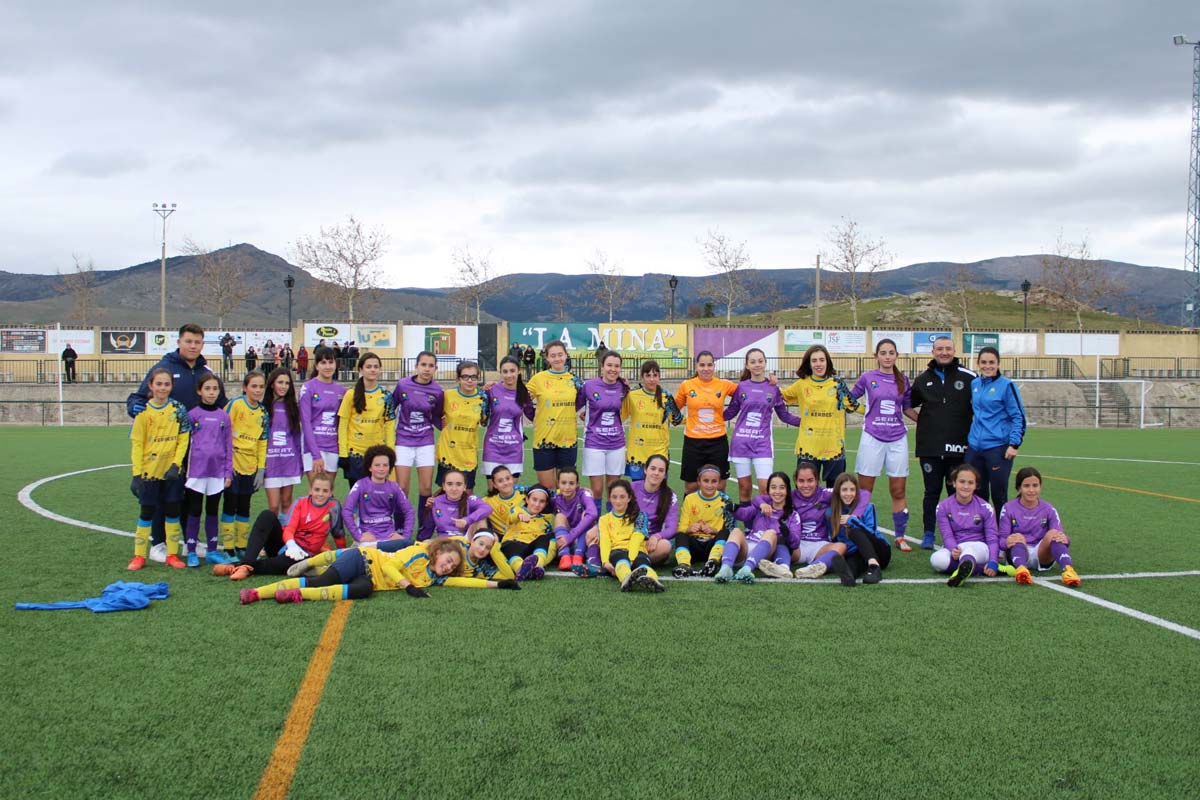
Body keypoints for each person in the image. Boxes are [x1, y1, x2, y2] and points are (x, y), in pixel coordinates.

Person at [126, 323, 226, 554]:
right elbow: (138, 397)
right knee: (162, 495)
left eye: (197, 342)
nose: (193, 346)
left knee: (188, 496)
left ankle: (189, 542)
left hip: (198, 449)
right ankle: (158, 543)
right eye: (188, 341)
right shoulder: (164, 367)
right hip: (166, 448)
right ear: (179, 341)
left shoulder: (206, 371)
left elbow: (222, 404)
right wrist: (135, 408)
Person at [238, 538, 519, 605]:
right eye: (447, 560)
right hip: (362, 559)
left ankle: (298, 593)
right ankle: (257, 592)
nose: (448, 566)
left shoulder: (438, 576)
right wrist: (407, 586)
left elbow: (462, 583)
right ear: (437, 552)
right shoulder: (419, 552)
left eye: (450, 566)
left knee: (362, 591)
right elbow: (389, 565)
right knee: (324, 579)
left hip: (370, 579)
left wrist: (499, 585)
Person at [905, 335, 975, 551]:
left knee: (956, 492)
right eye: (939, 349)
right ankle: (928, 532)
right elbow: (907, 406)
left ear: (954, 351)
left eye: (948, 348)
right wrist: (925, 422)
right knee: (931, 491)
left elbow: (980, 406)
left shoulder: (970, 377)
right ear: (933, 352)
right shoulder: (923, 379)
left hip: (959, 447)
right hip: (930, 447)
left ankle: (957, 532)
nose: (944, 352)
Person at [213, 472, 344, 581]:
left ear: (331, 492)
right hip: (286, 545)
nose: (320, 494)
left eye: (325, 490)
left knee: (290, 565)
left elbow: (338, 533)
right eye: (317, 489)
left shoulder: (334, 507)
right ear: (310, 490)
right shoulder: (301, 502)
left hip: (304, 554)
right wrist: (292, 546)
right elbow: (289, 529)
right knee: (267, 515)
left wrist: (342, 554)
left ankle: (237, 567)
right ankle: (247, 562)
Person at [849, 338, 914, 551]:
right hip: (872, 438)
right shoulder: (868, 378)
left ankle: (900, 536)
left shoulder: (903, 379)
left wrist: (928, 421)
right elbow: (850, 400)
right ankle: (859, 531)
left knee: (898, 490)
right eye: (883, 353)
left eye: (891, 353)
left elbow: (907, 409)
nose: (887, 356)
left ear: (896, 356)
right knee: (865, 490)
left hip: (897, 439)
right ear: (876, 356)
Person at [126, 368, 191, 570]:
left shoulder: (178, 409)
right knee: (147, 512)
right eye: (159, 384)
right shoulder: (143, 411)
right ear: (151, 386)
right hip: (149, 472)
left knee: (173, 511)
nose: (163, 388)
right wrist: (136, 474)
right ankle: (139, 556)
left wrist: (176, 464)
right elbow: (137, 444)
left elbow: (183, 439)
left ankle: (172, 554)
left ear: (172, 386)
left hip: (172, 472)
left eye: (167, 384)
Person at [725, 348, 800, 502]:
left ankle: (764, 525)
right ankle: (748, 527)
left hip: (763, 445)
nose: (757, 364)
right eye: (753, 362)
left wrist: (806, 422)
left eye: (760, 361)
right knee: (744, 489)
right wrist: (709, 415)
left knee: (765, 491)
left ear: (765, 363)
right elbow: (730, 412)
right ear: (747, 365)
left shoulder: (773, 388)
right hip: (741, 444)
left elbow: (784, 415)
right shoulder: (742, 387)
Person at [780, 344, 859, 488]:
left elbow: (854, 406)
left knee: (834, 493)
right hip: (808, 447)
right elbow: (781, 395)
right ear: (809, 364)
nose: (818, 364)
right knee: (806, 490)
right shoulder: (802, 384)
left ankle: (834, 512)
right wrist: (767, 384)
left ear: (827, 361)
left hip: (834, 447)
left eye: (821, 360)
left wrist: (876, 410)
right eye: (814, 360)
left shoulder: (838, 384)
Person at [965, 347, 1027, 516]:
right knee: (977, 493)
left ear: (998, 363)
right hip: (975, 448)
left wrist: (1014, 444)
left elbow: (1018, 416)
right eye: (983, 362)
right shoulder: (975, 384)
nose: (987, 366)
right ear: (978, 364)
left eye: (991, 362)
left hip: (998, 448)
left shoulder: (1007, 385)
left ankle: (1003, 533)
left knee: (999, 495)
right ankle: (982, 531)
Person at [183, 372, 235, 567]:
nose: (212, 393)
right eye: (208, 389)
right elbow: (184, 444)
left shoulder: (224, 416)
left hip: (217, 472)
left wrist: (227, 472)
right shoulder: (192, 415)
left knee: (212, 511)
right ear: (199, 391)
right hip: (196, 472)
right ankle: (191, 551)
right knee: (194, 510)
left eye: (215, 389)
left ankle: (212, 550)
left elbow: (228, 445)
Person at [998, 466, 1080, 587]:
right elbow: (1001, 540)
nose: (1031, 490)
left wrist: (1066, 539)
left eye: (1035, 485)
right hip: (1018, 552)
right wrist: (1007, 541)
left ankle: (1068, 570)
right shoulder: (1008, 508)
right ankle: (1022, 570)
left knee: (1053, 534)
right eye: (1026, 486)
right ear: (1019, 488)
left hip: (1041, 554)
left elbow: (1061, 538)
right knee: (1018, 536)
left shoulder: (1049, 509)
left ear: (1040, 487)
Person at [391, 350, 445, 524]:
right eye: (423, 365)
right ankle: (400, 528)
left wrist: (451, 428)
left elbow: (436, 416)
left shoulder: (437, 390)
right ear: (416, 366)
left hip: (425, 442)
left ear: (435, 368)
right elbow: (390, 408)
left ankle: (423, 529)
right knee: (403, 487)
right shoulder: (403, 385)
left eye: (431, 366)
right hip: (403, 441)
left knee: (426, 487)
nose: (427, 369)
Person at [674, 351, 738, 493]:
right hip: (693, 442)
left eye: (709, 365)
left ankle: (719, 515)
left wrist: (729, 413)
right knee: (691, 486)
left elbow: (744, 393)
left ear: (714, 366)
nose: (706, 368)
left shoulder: (723, 384)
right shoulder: (686, 385)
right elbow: (674, 408)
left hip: (718, 441)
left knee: (720, 485)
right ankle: (690, 515)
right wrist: (683, 420)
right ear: (696, 366)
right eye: (702, 365)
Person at [222, 371, 268, 559]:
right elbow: (222, 432)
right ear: (245, 387)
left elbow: (263, 441)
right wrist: (225, 464)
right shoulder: (235, 405)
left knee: (244, 506)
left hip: (250, 467)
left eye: (261, 387)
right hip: (233, 465)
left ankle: (241, 546)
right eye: (253, 386)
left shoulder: (263, 412)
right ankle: (228, 548)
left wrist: (261, 469)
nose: (257, 390)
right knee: (229, 505)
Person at [929, 464, 1000, 587]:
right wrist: (953, 549)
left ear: (975, 485)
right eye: (962, 481)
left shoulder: (985, 507)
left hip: (979, 548)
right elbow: (947, 535)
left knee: (969, 550)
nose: (966, 486)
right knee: (936, 560)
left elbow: (992, 538)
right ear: (954, 483)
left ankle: (965, 567)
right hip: (957, 547)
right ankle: (978, 569)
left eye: (970, 483)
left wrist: (993, 561)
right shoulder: (943, 507)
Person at [526, 340, 583, 488]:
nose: (557, 358)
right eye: (553, 355)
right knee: (548, 491)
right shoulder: (538, 379)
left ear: (566, 356)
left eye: (560, 354)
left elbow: (585, 399)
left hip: (568, 440)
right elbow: (523, 400)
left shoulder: (574, 380)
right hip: (544, 440)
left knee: (566, 491)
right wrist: (534, 417)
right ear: (547, 358)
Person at [336, 352, 396, 486]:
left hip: (377, 456)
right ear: (361, 369)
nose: (373, 369)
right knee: (357, 498)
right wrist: (343, 453)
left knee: (377, 498)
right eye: (368, 366)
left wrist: (391, 453)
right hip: (355, 455)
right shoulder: (350, 394)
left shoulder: (386, 396)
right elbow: (343, 425)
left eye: (376, 366)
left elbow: (390, 427)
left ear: (380, 369)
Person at [786, 463, 852, 583]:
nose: (806, 485)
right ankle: (782, 566)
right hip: (797, 546)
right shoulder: (789, 496)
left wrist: (854, 514)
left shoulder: (825, 493)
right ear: (795, 481)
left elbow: (862, 494)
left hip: (820, 546)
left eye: (810, 480)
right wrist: (762, 504)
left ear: (817, 480)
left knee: (841, 546)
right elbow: (763, 499)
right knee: (779, 543)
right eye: (801, 481)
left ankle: (813, 568)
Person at [720, 471, 790, 584]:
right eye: (773, 487)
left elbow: (795, 542)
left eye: (782, 488)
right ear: (768, 491)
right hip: (747, 548)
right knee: (736, 531)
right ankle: (726, 568)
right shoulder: (760, 507)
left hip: (764, 555)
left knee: (771, 532)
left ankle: (747, 569)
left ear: (787, 490)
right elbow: (744, 514)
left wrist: (787, 534)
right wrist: (734, 509)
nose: (777, 491)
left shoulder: (791, 513)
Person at [596, 479, 665, 592]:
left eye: (622, 497)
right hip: (617, 551)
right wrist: (605, 562)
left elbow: (637, 537)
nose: (618, 501)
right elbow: (605, 541)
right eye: (614, 497)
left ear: (629, 498)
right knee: (622, 563)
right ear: (609, 498)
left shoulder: (641, 515)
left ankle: (653, 580)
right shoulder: (604, 520)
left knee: (643, 564)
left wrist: (632, 558)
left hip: (637, 550)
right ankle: (626, 579)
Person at [578, 351, 630, 499]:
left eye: (617, 366)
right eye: (609, 365)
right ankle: (594, 522)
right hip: (594, 443)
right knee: (597, 489)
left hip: (617, 444)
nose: (613, 369)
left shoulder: (623, 387)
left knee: (613, 490)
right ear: (602, 366)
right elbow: (576, 405)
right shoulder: (589, 385)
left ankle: (611, 522)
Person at [342, 444, 415, 545]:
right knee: (371, 557)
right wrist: (358, 536)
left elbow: (409, 511)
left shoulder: (394, 487)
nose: (381, 469)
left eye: (385, 465)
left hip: (389, 535)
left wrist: (405, 536)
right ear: (370, 467)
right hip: (368, 536)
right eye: (377, 465)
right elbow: (346, 510)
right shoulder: (360, 485)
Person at [622, 360, 682, 481]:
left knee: (659, 493)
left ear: (659, 377)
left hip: (659, 452)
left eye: (655, 375)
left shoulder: (666, 396)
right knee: (638, 492)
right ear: (642, 377)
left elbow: (677, 420)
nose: (651, 379)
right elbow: (619, 416)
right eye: (648, 375)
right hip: (638, 452)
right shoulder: (632, 396)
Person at [826, 472, 889, 585]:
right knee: (853, 562)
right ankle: (849, 576)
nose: (848, 494)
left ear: (857, 492)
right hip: (857, 552)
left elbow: (872, 534)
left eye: (852, 490)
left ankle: (874, 567)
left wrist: (853, 521)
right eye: (844, 490)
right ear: (838, 492)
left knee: (854, 530)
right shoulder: (831, 513)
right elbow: (835, 539)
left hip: (879, 550)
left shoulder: (868, 507)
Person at [481, 355, 532, 492]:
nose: (509, 375)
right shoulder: (492, 390)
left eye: (512, 371)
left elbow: (533, 416)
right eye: (505, 371)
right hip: (492, 447)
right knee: (493, 493)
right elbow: (482, 419)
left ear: (519, 371)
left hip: (514, 449)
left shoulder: (524, 393)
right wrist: (482, 394)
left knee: (510, 493)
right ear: (500, 372)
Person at [672, 465, 733, 578]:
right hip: (694, 545)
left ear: (719, 482)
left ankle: (713, 561)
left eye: (714, 481)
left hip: (713, 544)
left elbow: (730, 528)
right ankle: (684, 564)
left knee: (725, 533)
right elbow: (682, 527)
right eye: (706, 481)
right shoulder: (690, 499)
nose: (709, 485)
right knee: (680, 536)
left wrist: (714, 530)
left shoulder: (726, 500)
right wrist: (689, 529)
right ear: (698, 482)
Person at [435, 360, 488, 490]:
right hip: (448, 453)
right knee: (445, 493)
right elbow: (435, 414)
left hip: (468, 454)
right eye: (465, 377)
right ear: (458, 379)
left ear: (478, 378)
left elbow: (484, 421)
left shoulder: (483, 398)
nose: (469, 380)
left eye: (473, 377)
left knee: (466, 494)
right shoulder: (447, 395)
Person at [299, 346, 347, 490]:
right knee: (316, 491)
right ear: (316, 366)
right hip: (314, 447)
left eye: (330, 362)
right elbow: (305, 422)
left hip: (333, 447)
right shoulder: (308, 388)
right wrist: (315, 454)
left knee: (327, 492)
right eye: (323, 363)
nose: (327, 366)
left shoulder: (341, 391)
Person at [263, 368, 304, 518]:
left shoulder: (293, 408)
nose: (283, 386)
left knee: (287, 503)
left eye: (287, 383)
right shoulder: (264, 407)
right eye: (280, 382)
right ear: (272, 384)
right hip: (271, 463)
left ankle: (286, 539)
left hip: (289, 461)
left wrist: (300, 463)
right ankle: (273, 539)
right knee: (273, 506)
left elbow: (297, 437)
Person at [630, 454, 679, 566]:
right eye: (653, 468)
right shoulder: (631, 487)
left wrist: (656, 537)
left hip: (648, 543)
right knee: (595, 533)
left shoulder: (670, 495)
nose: (656, 473)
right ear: (645, 469)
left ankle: (627, 562)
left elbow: (672, 528)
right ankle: (637, 563)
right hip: (626, 537)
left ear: (665, 475)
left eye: (661, 470)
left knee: (665, 546)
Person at [499, 484, 556, 581]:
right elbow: (512, 517)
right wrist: (520, 516)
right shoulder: (517, 509)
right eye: (534, 499)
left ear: (546, 504)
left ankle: (538, 566)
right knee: (509, 545)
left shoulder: (545, 520)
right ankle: (520, 570)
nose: (537, 504)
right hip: (515, 543)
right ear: (527, 499)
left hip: (532, 551)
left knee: (548, 538)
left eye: (542, 501)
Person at [418, 469, 492, 539]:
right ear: (444, 486)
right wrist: (429, 510)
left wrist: (467, 520)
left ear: (465, 487)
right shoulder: (436, 502)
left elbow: (487, 508)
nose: (454, 489)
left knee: (482, 519)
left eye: (459, 484)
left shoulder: (470, 499)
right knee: (426, 542)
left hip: (465, 541)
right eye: (449, 484)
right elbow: (427, 530)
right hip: (443, 542)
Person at [550, 466, 599, 573]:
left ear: (577, 484)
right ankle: (565, 557)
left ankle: (578, 557)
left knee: (586, 514)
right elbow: (533, 495)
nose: (567, 487)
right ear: (558, 483)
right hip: (565, 540)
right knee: (559, 517)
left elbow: (593, 513)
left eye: (571, 483)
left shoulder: (583, 494)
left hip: (583, 540)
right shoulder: (555, 497)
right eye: (563, 483)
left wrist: (570, 537)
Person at [482, 465, 528, 540]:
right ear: (494, 485)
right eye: (500, 481)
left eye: (508, 478)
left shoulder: (524, 493)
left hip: (526, 534)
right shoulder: (488, 501)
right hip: (502, 538)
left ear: (512, 479)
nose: (505, 483)